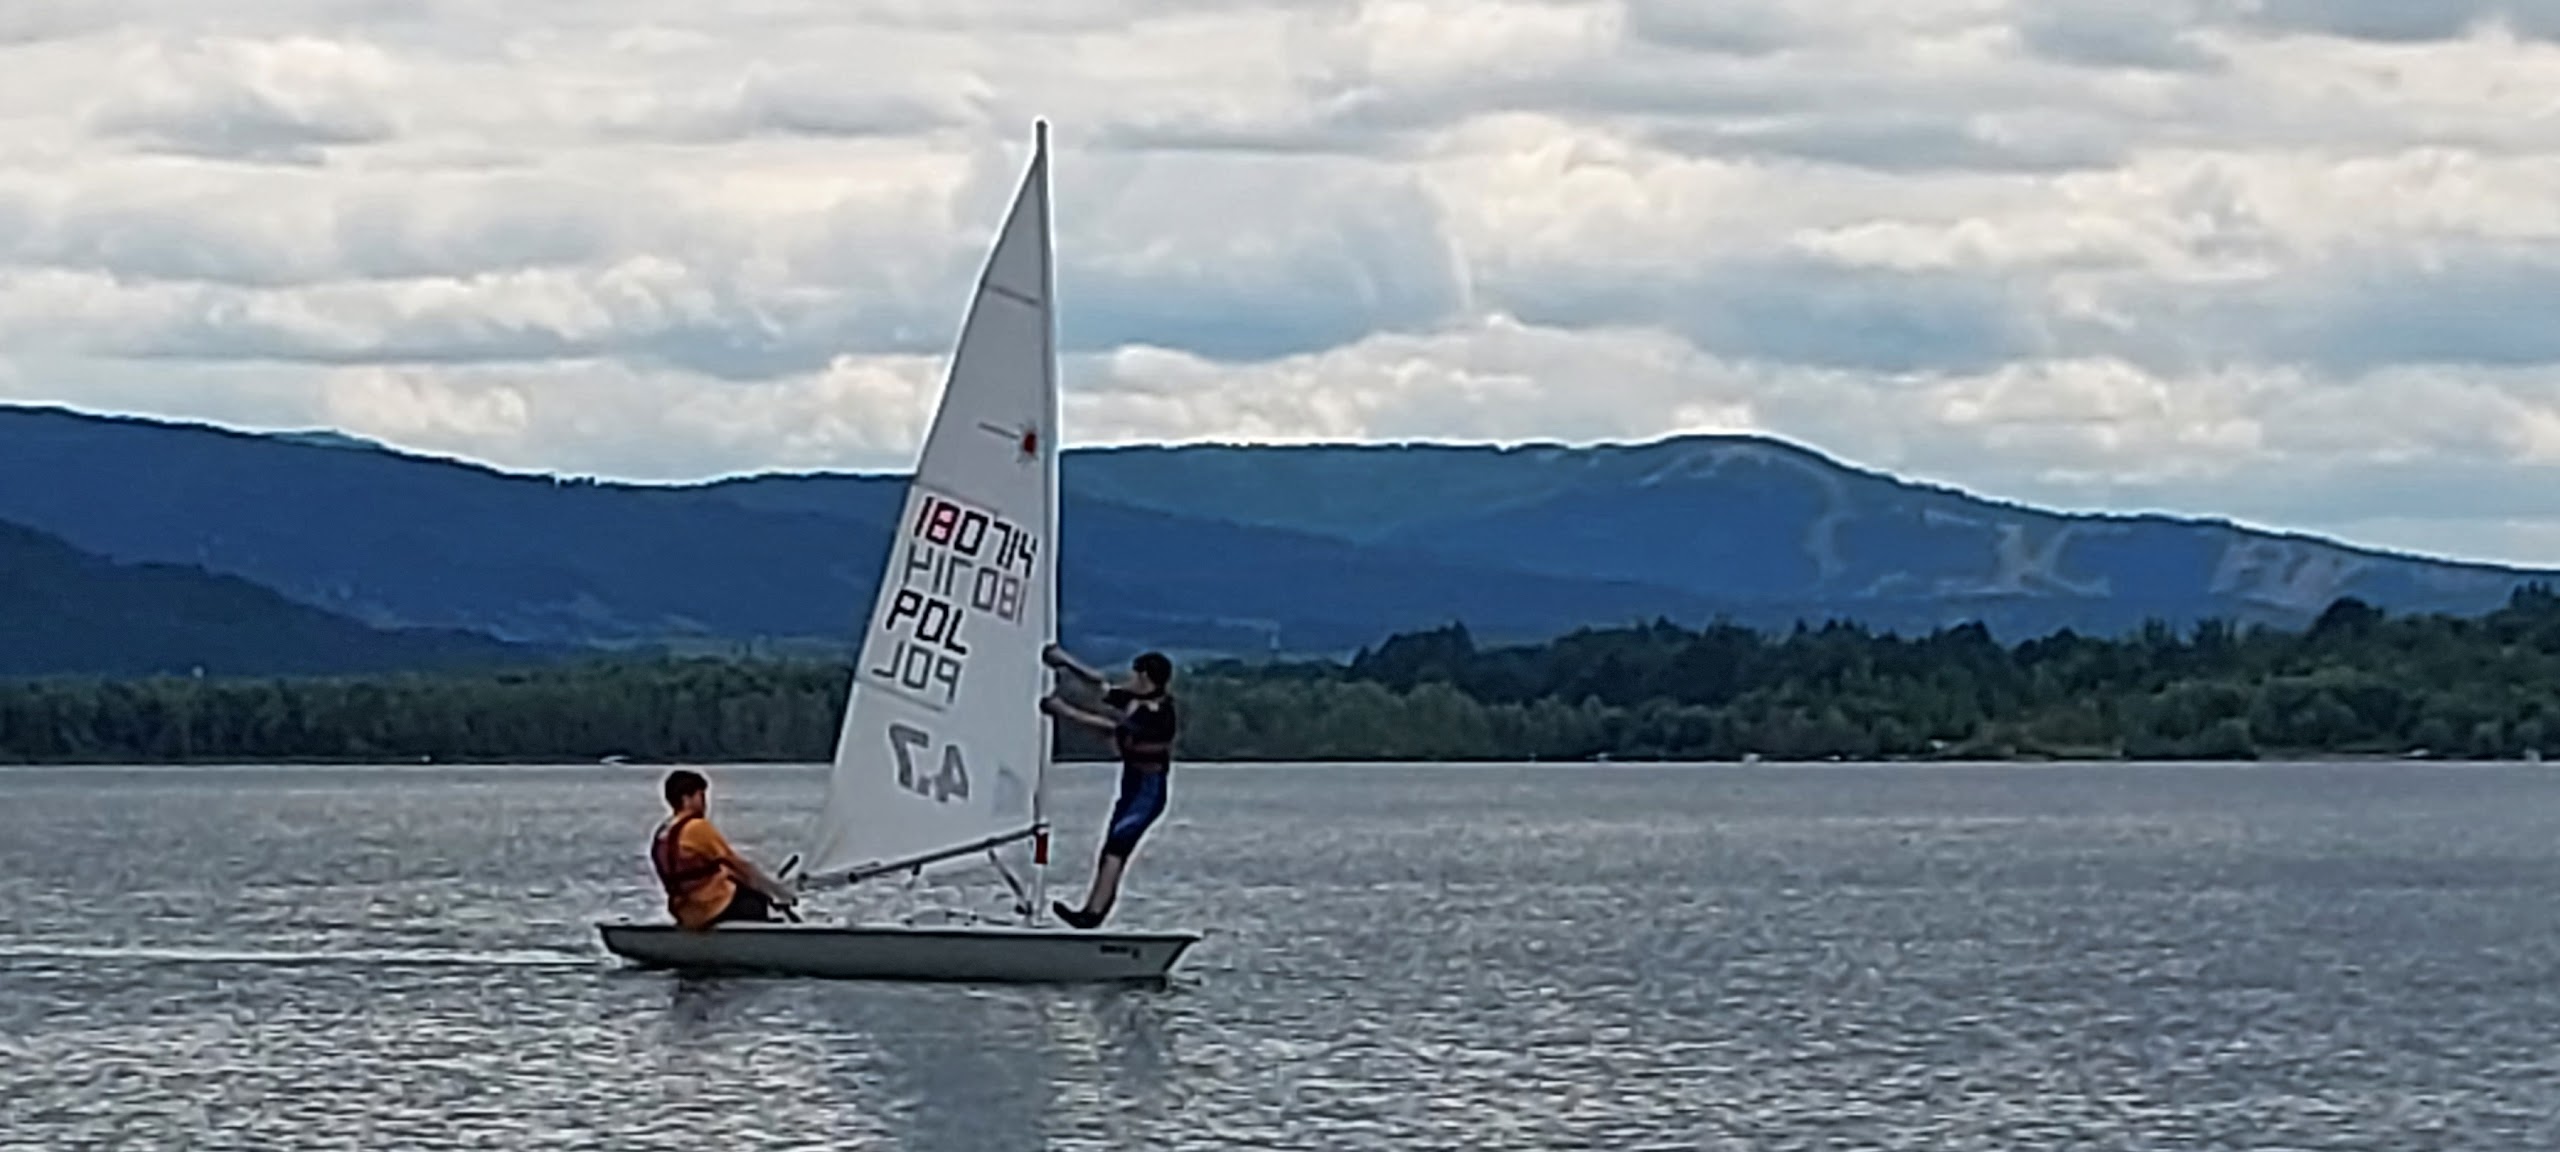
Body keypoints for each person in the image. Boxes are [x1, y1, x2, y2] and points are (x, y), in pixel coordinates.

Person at [1039, 644, 1178, 929]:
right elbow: (1099, 686)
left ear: (1145, 678)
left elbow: (1109, 728)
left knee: (1117, 846)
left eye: (1134, 675)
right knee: (1110, 850)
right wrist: (1064, 661)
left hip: (1148, 792)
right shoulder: (1134, 700)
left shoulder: (1159, 712)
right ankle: (1093, 911)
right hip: (1132, 788)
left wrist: (1063, 711)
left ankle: (1092, 915)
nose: (1129, 680)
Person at [649, 768, 798, 931]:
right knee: (757, 900)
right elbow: (737, 864)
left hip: (683, 911)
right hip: (711, 907)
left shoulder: (663, 833)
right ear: (686, 799)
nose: (706, 804)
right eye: (701, 797)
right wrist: (777, 891)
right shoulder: (696, 827)